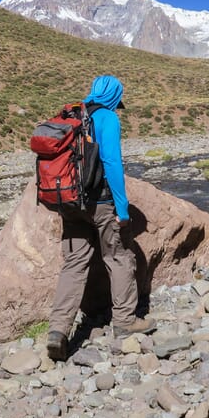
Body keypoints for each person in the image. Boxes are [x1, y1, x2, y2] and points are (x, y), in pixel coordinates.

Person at [46, 75, 155, 362]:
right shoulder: (107, 117)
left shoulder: (72, 114)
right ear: (114, 95)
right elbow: (112, 162)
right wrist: (122, 209)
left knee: (74, 264)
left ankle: (58, 331)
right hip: (100, 201)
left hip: (70, 202)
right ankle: (125, 321)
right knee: (119, 257)